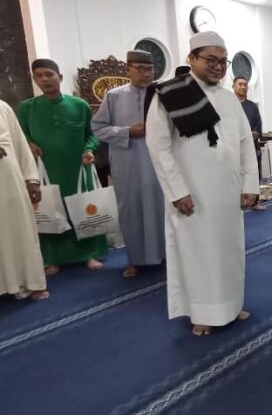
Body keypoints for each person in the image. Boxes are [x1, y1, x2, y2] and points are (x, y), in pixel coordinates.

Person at [145, 31, 261, 336]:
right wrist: (177, 191)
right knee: (198, 253)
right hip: (192, 192)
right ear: (192, 59)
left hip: (227, 192)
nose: (219, 67)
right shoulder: (169, 95)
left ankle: (231, 306)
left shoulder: (229, 98)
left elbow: (245, 142)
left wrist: (250, 184)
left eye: (224, 61)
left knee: (229, 251)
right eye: (211, 60)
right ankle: (202, 313)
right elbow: (158, 147)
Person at [16, 59, 107, 276]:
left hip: (78, 168)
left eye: (49, 74)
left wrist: (89, 149)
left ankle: (90, 253)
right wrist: (29, 143)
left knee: (83, 207)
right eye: (39, 76)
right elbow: (20, 135)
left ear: (60, 77)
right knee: (49, 210)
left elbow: (92, 135)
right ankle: (53, 258)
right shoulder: (27, 108)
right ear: (34, 79)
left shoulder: (79, 105)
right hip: (46, 169)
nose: (44, 79)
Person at [91, 50, 166, 278]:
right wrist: (126, 132)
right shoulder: (114, 96)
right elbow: (98, 128)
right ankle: (135, 260)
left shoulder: (162, 95)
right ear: (128, 70)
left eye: (149, 69)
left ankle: (164, 255)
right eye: (140, 69)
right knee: (131, 211)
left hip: (159, 163)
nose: (146, 74)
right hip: (128, 163)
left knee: (160, 209)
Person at [0, 100, 48, 301]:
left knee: (20, 230)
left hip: (10, 182)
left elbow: (19, 143)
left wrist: (32, 180)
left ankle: (29, 283)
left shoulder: (2, 107)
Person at [233, 76, 267, 210]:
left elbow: (258, 125)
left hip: (251, 146)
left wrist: (253, 134)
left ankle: (253, 202)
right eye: (240, 84)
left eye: (245, 84)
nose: (243, 87)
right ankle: (236, 201)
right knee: (234, 174)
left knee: (253, 172)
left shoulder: (253, 107)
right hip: (233, 147)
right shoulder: (228, 105)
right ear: (233, 86)